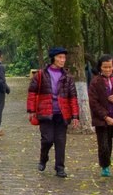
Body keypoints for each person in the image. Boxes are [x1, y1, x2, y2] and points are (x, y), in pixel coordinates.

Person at [27, 47, 81, 178]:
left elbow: (73, 97)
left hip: (62, 113)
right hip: (45, 112)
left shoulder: (67, 77)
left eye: (64, 58)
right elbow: (32, 92)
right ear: (53, 58)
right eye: (60, 57)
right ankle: (43, 158)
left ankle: (60, 168)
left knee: (60, 141)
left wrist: (75, 115)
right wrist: (31, 110)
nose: (62, 60)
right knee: (47, 139)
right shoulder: (41, 75)